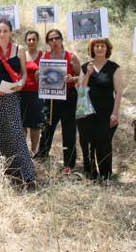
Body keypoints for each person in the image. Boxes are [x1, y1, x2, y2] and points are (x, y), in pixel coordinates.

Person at [0, 19, 36, 185]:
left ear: (11, 32)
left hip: (11, 96)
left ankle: (26, 174)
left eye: (5, 31)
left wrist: (21, 84)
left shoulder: (19, 50)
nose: (2, 34)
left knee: (16, 134)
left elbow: (25, 74)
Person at [34, 29, 81, 175]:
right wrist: (38, 74)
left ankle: (69, 163)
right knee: (47, 127)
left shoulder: (71, 57)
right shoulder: (45, 57)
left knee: (69, 130)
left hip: (68, 96)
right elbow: (38, 79)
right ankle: (42, 156)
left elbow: (80, 77)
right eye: (50, 39)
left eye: (56, 38)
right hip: (50, 97)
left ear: (61, 39)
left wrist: (71, 78)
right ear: (47, 42)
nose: (54, 41)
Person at [78, 38, 122, 182]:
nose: (99, 48)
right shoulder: (85, 67)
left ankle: (105, 176)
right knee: (88, 143)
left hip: (106, 111)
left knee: (104, 143)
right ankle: (91, 174)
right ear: (92, 49)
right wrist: (88, 74)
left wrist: (115, 113)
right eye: (96, 46)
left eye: (102, 46)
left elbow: (119, 92)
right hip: (87, 111)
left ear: (107, 48)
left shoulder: (114, 68)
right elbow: (81, 89)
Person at [20, 30, 43, 155]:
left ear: (38, 40)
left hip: (37, 94)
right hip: (21, 93)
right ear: (26, 41)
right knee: (22, 123)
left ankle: (34, 150)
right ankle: (23, 151)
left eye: (34, 39)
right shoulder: (21, 55)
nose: (31, 41)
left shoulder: (43, 55)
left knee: (35, 125)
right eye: (29, 39)